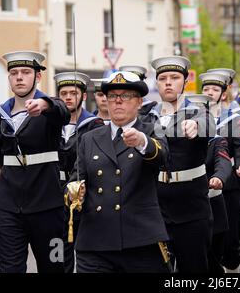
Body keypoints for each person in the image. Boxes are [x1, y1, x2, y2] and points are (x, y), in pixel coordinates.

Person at [66, 71, 169, 273]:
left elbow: (163, 158)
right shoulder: (90, 138)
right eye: (112, 96)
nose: (118, 101)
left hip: (140, 240)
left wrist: (142, 142)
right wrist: (73, 192)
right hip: (95, 242)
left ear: (139, 102)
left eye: (126, 96)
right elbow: (75, 179)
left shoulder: (151, 130)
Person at [0, 51, 70, 273]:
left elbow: (62, 112)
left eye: (26, 72)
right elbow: (1, 154)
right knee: (10, 269)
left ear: (38, 77)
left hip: (48, 207)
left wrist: (44, 105)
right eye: (14, 73)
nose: (19, 77)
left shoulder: (51, 108)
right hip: (8, 207)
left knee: (54, 267)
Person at [143, 56, 215, 273]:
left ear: (185, 82)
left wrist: (195, 125)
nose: (168, 82)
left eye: (174, 77)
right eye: (162, 78)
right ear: (156, 83)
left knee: (194, 269)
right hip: (155, 205)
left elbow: (208, 124)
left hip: (191, 206)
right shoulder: (147, 114)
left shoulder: (199, 111)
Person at [54, 72, 104, 273]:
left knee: (89, 258)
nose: (68, 97)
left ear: (83, 96)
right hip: (54, 197)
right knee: (57, 257)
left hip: (85, 198)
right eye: (63, 93)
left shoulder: (94, 125)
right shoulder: (51, 123)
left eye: (73, 93)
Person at [207, 68, 240, 273]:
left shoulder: (234, 116)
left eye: (214, 89)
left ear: (223, 94)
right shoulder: (191, 117)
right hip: (202, 184)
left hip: (229, 183)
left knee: (230, 232)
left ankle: (233, 265)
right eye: (205, 88)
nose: (209, 92)